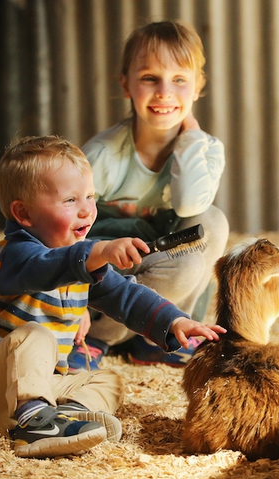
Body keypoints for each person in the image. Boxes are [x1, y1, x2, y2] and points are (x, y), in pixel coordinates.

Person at [0, 136, 225, 459]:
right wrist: (97, 251)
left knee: (109, 381)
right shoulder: (17, 254)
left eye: (91, 197)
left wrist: (173, 320)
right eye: (70, 201)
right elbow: (47, 268)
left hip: (32, 389)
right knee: (35, 337)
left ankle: (69, 416)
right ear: (23, 213)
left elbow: (126, 296)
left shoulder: (77, 262)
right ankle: (37, 423)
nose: (87, 210)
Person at [66, 19, 229, 371]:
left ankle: (153, 339)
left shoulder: (206, 150)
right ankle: (97, 338)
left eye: (180, 80)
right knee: (184, 266)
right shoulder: (102, 157)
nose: (164, 92)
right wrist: (75, 303)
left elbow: (189, 204)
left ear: (198, 86)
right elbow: (63, 235)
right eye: (149, 78)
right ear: (126, 84)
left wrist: (188, 141)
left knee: (213, 221)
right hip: (105, 277)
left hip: (159, 265)